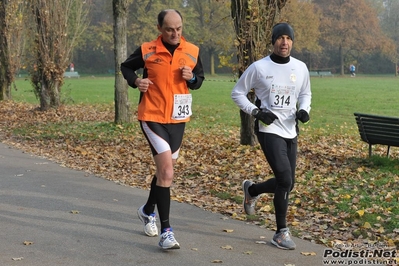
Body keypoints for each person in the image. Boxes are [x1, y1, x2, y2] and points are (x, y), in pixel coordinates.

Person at [120, 9, 204, 250]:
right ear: (160, 29)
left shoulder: (193, 51)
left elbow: (199, 80)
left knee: (163, 173)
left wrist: (191, 79)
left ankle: (147, 210)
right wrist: (136, 81)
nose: (175, 33)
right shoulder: (147, 50)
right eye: (169, 29)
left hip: (178, 120)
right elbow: (126, 67)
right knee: (167, 172)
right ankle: (167, 231)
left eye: (179, 29)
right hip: (152, 116)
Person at [231, 22, 311, 250]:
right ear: (273, 41)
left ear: (292, 42)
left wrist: (305, 109)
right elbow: (237, 93)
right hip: (268, 129)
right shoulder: (259, 67)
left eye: (288, 38)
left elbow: (305, 93)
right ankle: (280, 232)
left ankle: (252, 190)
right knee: (285, 179)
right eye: (280, 38)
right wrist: (257, 112)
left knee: (288, 182)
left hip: (290, 129)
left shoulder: (300, 67)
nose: (284, 42)